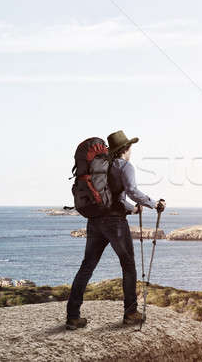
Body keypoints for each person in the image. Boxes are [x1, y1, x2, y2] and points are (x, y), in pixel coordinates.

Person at [66, 130, 166, 330]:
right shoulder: (124, 165)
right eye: (130, 148)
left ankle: (73, 316)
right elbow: (131, 191)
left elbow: (113, 197)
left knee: (87, 266)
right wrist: (154, 204)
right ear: (126, 149)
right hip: (114, 223)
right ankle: (130, 313)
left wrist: (132, 209)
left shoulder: (102, 166)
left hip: (95, 220)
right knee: (128, 266)